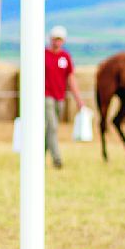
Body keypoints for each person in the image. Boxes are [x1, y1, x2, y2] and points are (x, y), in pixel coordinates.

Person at [45, 25, 85, 169]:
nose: (57, 42)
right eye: (55, 39)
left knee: (50, 128)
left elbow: (71, 79)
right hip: (46, 96)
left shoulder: (65, 57)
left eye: (60, 40)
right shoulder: (43, 55)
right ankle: (57, 159)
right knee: (53, 127)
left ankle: (38, 157)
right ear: (50, 39)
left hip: (59, 97)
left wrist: (78, 99)